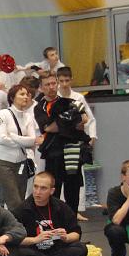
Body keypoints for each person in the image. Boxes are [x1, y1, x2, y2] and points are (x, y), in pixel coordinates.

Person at [14, 171, 92, 256]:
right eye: (35, 187)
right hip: (34, 251)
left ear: (52, 191)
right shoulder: (21, 210)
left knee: (81, 248)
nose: (38, 192)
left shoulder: (61, 207)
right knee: (18, 252)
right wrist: (35, 239)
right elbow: (14, 239)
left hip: (56, 250)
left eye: (43, 188)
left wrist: (66, 237)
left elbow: (76, 233)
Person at [34, 72, 90, 215]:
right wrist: (71, 122)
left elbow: (83, 120)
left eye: (54, 83)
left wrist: (63, 122)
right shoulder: (40, 107)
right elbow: (48, 128)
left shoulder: (70, 102)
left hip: (72, 151)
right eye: (47, 84)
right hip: (54, 153)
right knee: (54, 189)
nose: (51, 87)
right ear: (41, 87)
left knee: (73, 190)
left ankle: (72, 221)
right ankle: (54, 220)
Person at [57, 66, 97, 221]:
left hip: (76, 142)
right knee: (60, 178)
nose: (64, 84)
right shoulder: (55, 98)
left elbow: (89, 119)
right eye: (61, 81)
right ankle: (60, 210)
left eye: (67, 80)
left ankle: (77, 210)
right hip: (59, 143)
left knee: (77, 178)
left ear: (71, 80)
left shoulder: (78, 97)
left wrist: (92, 137)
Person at [0, 84, 42, 210]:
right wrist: (24, 140)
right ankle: (16, 222)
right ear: (12, 97)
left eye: (27, 94)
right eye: (21, 94)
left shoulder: (28, 117)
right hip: (4, 163)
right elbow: (1, 139)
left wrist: (13, 136)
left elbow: (32, 141)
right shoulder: (3, 114)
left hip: (22, 163)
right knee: (13, 200)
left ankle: (17, 221)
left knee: (21, 197)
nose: (25, 97)